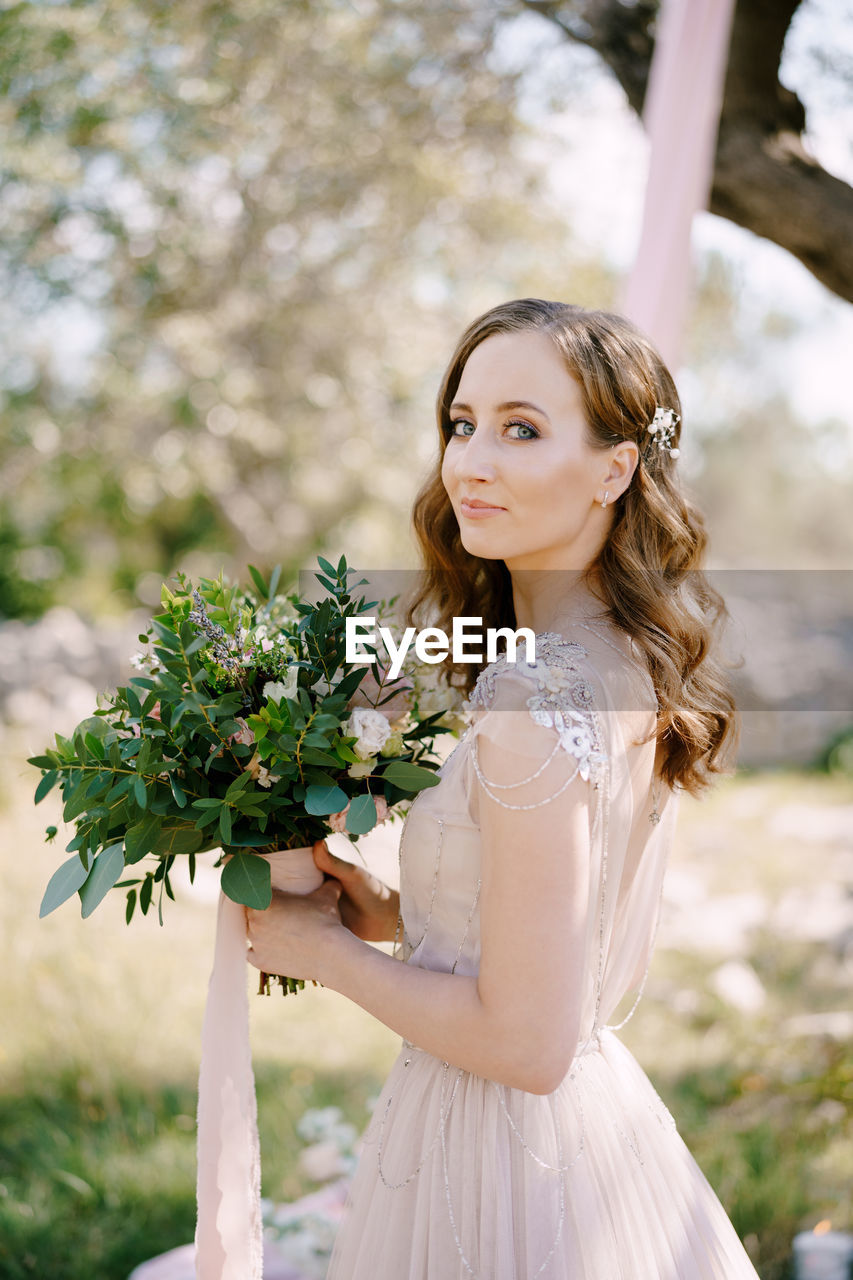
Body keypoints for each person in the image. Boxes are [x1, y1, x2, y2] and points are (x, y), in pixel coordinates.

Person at [246, 299, 760, 1279]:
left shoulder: (533, 685)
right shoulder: (615, 655)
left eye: (520, 428)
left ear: (616, 467)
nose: (470, 461)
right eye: (461, 423)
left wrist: (317, 948)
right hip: (584, 1132)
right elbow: (563, 925)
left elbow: (527, 1041)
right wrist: (391, 912)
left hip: (501, 1146)